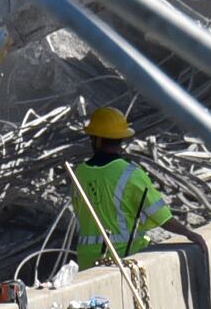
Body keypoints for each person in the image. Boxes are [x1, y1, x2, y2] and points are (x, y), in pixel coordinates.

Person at [64, 106, 174, 265]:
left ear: (97, 139)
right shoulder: (131, 173)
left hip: (87, 259)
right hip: (124, 257)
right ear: (121, 138)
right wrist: (190, 234)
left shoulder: (79, 173)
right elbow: (161, 216)